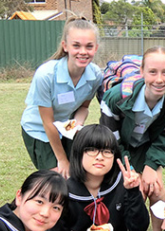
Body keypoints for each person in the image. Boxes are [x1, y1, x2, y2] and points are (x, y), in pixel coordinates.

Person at [100, 46, 165, 231]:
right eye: (153, 72)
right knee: (131, 188)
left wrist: (152, 166)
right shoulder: (116, 96)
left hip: (150, 145)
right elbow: (112, 140)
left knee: (156, 187)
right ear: (142, 71)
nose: (159, 79)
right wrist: (133, 171)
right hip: (123, 146)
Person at [21, 16, 102, 179]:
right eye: (76, 45)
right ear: (65, 46)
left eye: (89, 46)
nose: (83, 52)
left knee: (78, 175)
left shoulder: (96, 76)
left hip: (67, 129)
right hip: (40, 130)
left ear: (96, 48)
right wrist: (62, 159)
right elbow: (47, 122)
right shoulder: (46, 75)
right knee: (57, 178)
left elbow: (84, 107)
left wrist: (76, 125)